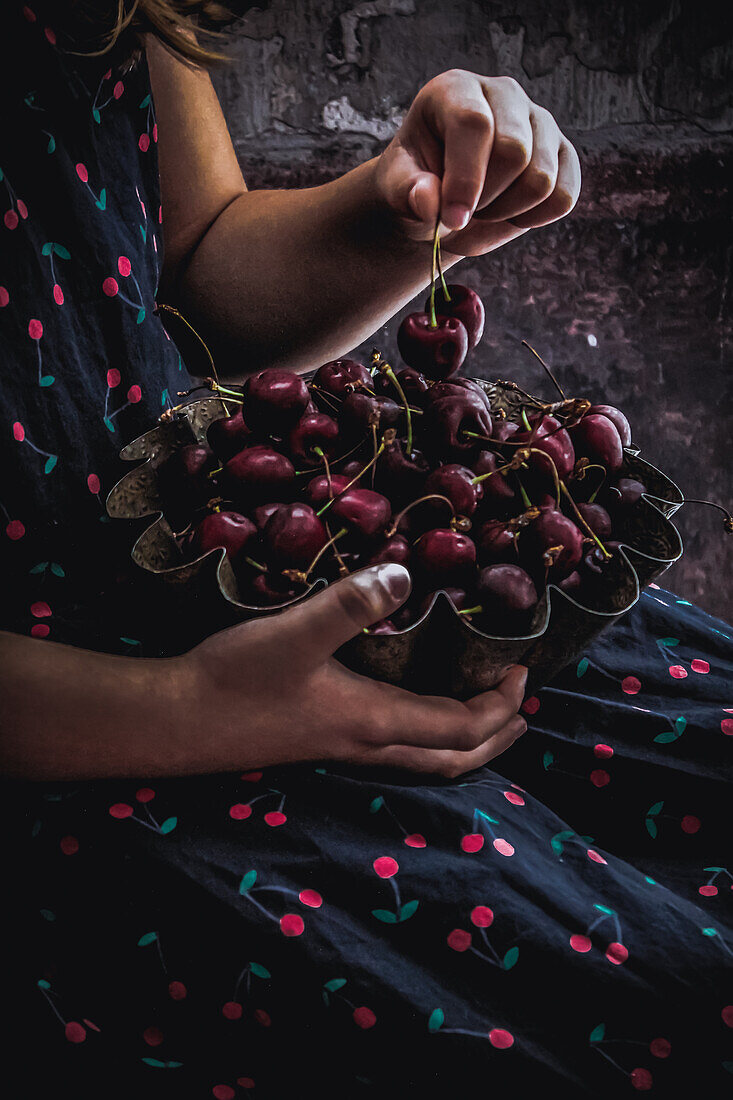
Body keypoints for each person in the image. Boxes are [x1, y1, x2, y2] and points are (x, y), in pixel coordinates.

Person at [1, 3, 730, 1096]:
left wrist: (403, 209)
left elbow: (195, 270)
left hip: (220, 570)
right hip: (81, 734)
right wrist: (189, 707)